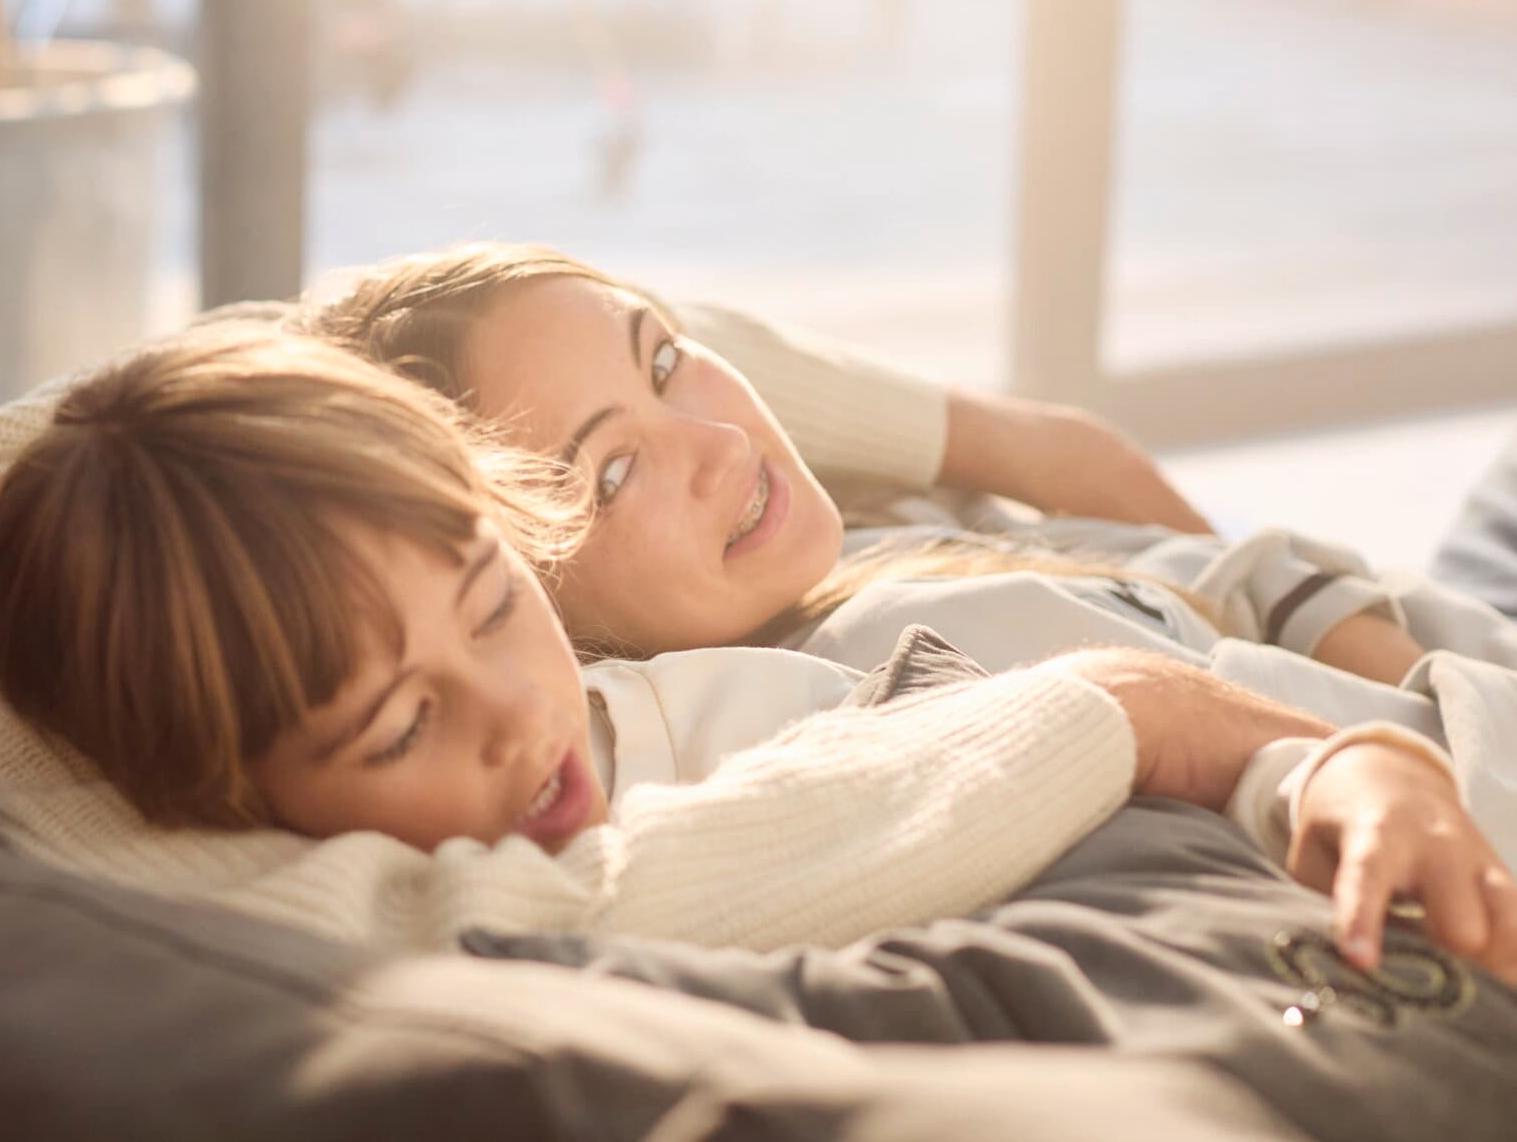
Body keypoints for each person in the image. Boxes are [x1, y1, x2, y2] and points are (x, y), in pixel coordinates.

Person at [0, 92, 1359, 955]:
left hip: (1133, 589)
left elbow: (465, 333)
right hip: (1108, 695)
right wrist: (1125, 711)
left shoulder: (89, 429)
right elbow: (481, 915)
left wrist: (1010, 432)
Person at [0, 325, 1517, 978]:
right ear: (229, 793)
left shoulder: (738, 663)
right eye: (398, 726)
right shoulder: (730, 766)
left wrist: (1341, 747)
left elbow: (1172, 682)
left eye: (495, 598)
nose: (518, 719)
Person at [301, 243, 1517, 862]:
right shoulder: (836, 706)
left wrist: (1391, 655)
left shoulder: (872, 532)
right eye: (610, 472)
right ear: (524, 594)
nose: (718, 441)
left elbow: (1237, 566)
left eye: (664, 357)